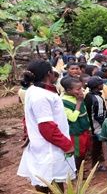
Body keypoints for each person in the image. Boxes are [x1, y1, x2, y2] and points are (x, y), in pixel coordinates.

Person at [18, 60, 76, 193]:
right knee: (51, 179)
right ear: (49, 73)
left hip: (42, 144)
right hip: (49, 147)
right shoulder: (41, 95)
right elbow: (46, 127)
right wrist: (66, 145)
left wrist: (27, 132)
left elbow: (28, 116)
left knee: (46, 178)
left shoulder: (34, 91)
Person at [60, 76, 91, 170]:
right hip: (75, 132)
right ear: (69, 90)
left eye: (81, 88)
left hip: (83, 129)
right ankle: (76, 171)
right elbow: (72, 118)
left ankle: (79, 169)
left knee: (83, 151)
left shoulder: (77, 96)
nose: (81, 91)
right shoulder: (63, 101)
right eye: (78, 89)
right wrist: (79, 103)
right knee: (77, 153)